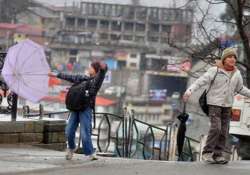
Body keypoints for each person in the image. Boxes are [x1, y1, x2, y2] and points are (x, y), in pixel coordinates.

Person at [183, 47, 250, 164]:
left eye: (234, 57)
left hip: (227, 106)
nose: (232, 59)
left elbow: (240, 88)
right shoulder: (215, 71)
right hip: (214, 104)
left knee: (224, 131)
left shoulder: (237, 73)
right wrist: (189, 91)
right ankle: (207, 153)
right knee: (216, 128)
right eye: (230, 57)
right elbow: (200, 81)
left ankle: (218, 155)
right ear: (224, 59)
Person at [49, 61, 108, 161]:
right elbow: (69, 77)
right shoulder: (83, 78)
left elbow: (102, 74)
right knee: (69, 131)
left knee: (85, 133)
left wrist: (103, 69)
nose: (89, 69)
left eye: (91, 67)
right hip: (75, 107)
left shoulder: (96, 81)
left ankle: (90, 153)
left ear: (96, 70)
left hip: (86, 108)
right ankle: (71, 147)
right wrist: (55, 74)